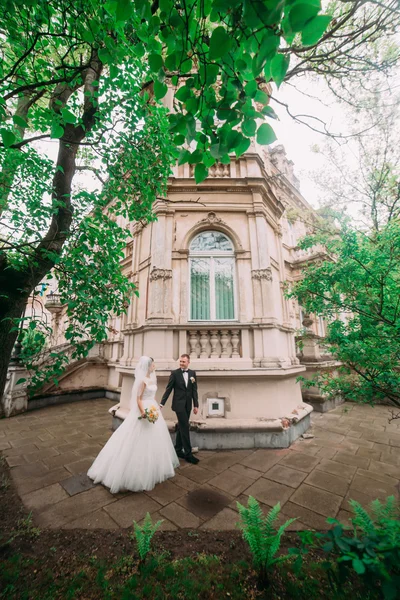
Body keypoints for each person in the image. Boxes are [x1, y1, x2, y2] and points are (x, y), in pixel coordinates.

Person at [87, 356, 179, 493]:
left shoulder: (152, 379)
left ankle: (153, 467)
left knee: (154, 439)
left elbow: (152, 396)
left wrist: (154, 408)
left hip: (152, 407)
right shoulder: (142, 381)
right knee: (137, 438)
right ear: (148, 366)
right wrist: (144, 412)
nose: (154, 366)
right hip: (144, 409)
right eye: (153, 364)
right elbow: (138, 398)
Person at [160, 354, 199, 464]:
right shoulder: (175, 373)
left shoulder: (192, 374)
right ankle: (188, 453)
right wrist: (162, 403)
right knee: (185, 427)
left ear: (188, 362)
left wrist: (196, 405)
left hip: (188, 405)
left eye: (183, 361)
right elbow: (169, 389)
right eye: (180, 361)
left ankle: (177, 449)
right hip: (178, 405)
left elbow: (194, 391)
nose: (181, 363)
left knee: (182, 426)